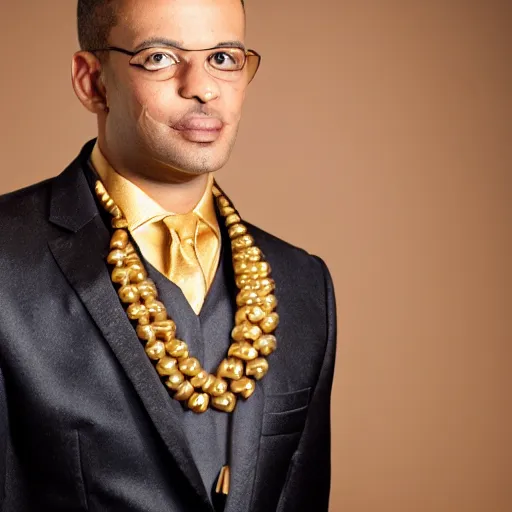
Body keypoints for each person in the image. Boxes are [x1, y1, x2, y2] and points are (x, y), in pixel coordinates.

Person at [0, 0, 336, 510]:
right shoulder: (6, 257)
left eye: (224, 57)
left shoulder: (304, 285)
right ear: (92, 81)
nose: (202, 87)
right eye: (160, 57)